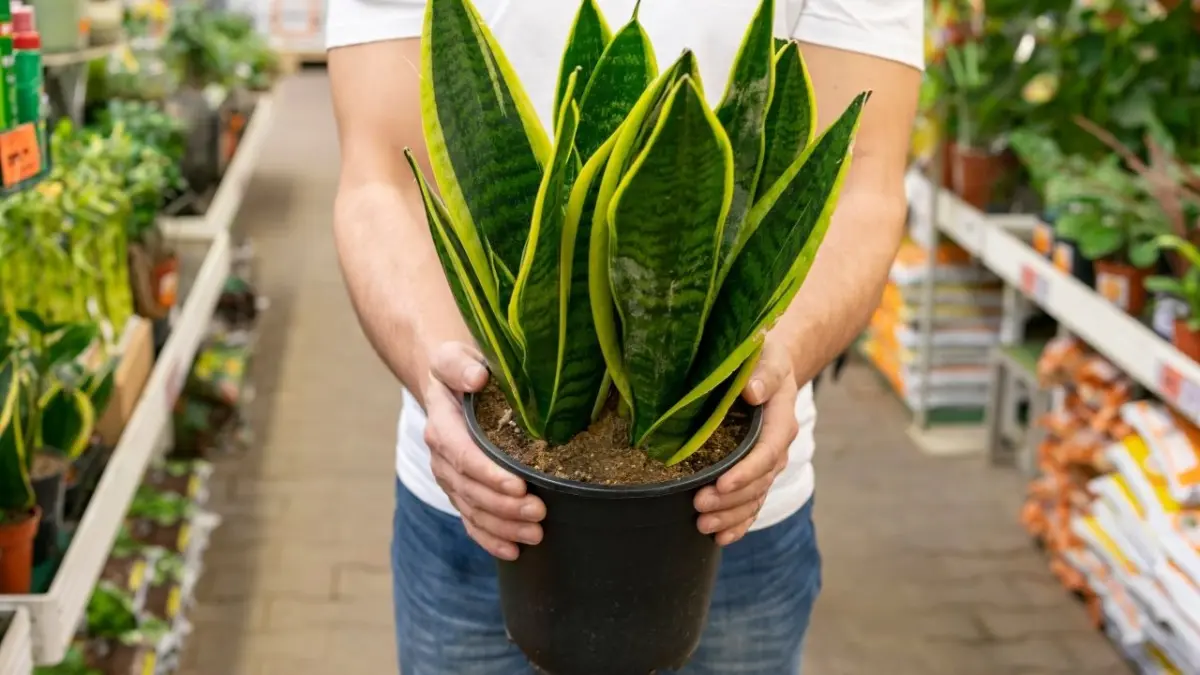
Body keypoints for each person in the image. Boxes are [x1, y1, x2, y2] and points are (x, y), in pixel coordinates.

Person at [325, 1, 921, 672]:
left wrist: (777, 358)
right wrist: (439, 375)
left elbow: (862, 175)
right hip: (476, 499)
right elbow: (377, 179)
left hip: (733, 513)